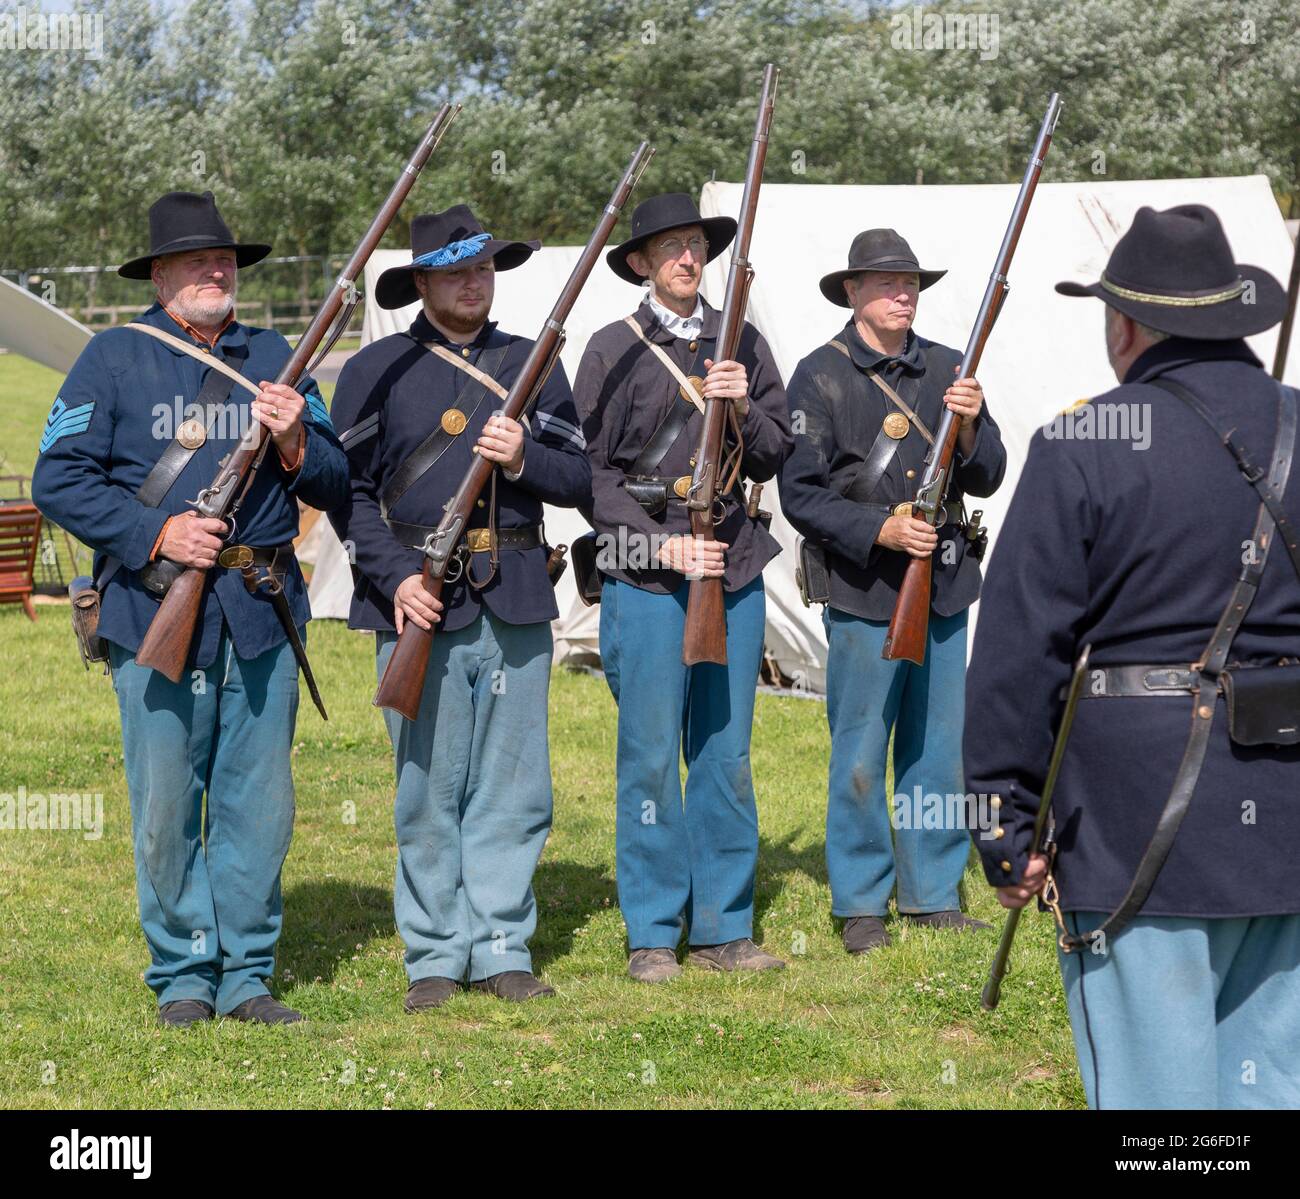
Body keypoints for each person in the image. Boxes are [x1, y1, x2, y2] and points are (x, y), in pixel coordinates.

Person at [965, 203, 1300, 1109]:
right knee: (1271, 1088)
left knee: (1159, 1108)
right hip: (1287, 820)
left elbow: (1016, 653)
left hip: (1134, 820)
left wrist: (1003, 828)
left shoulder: (1082, 443)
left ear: (1124, 325)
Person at [32, 190, 349, 1027]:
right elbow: (57, 477)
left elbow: (337, 478)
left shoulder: (276, 352)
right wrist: (157, 530)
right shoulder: (112, 357)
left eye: (227, 261)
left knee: (258, 801)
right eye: (200, 261)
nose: (218, 271)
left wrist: (293, 441)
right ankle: (182, 970)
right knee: (168, 799)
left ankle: (245, 971)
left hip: (260, 609)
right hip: (152, 608)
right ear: (162, 274)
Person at [328, 206, 590, 1009]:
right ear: (425, 282)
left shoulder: (532, 362)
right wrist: (395, 575)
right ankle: (436, 954)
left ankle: (503, 945)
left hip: (513, 591)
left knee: (515, 789)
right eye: (455, 271)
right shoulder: (375, 368)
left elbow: (581, 481)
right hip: (415, 598)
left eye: (482, 269)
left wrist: (526, 456)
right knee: (427, 788)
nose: (473, 283)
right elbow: (348, 493)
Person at [573, 192, 793, 983]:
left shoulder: (745, 347)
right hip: (645, 572)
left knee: (727, 754)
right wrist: (665, 548)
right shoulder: (609, 348)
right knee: (650, 760)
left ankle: (725, 925)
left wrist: (739, 404)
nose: (686, 258)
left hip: (731, 568)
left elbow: (775, 455)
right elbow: (588, 476)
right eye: (669, 246)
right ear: (640, 262)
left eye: (695, 244)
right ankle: (653, 929)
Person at [779, 229, 1006, 955]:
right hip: (863, 589)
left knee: (938, 750)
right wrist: (881, 529)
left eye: (908, 282)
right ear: (852, 292)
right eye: (884, 282)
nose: (902, 293)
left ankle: (933, 892)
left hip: (940, 587)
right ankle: (859, 902)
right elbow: (800, 494)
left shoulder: (949, 368)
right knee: (858, 749)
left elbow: (990, 471)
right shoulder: (819, 375)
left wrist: (967, 423)